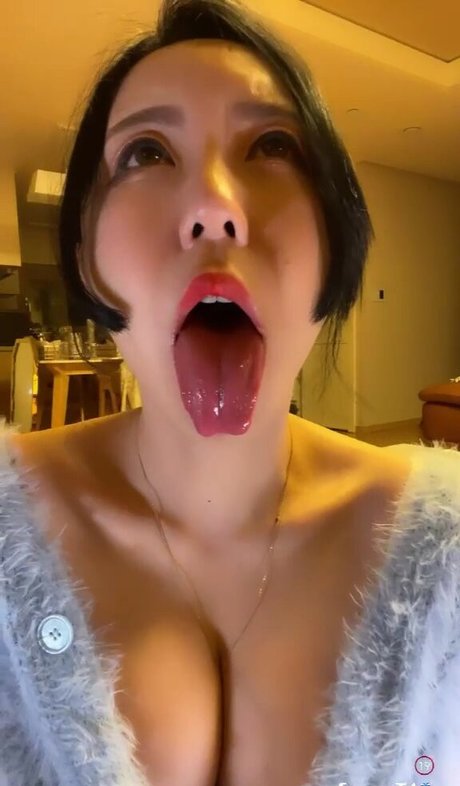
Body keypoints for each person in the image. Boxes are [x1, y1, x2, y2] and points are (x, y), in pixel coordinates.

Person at [1, 1, 459, 785]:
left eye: (273, 146)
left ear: (337, 238)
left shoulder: (447, 551)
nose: (214, 206)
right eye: (145, 152)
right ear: (83, 253)